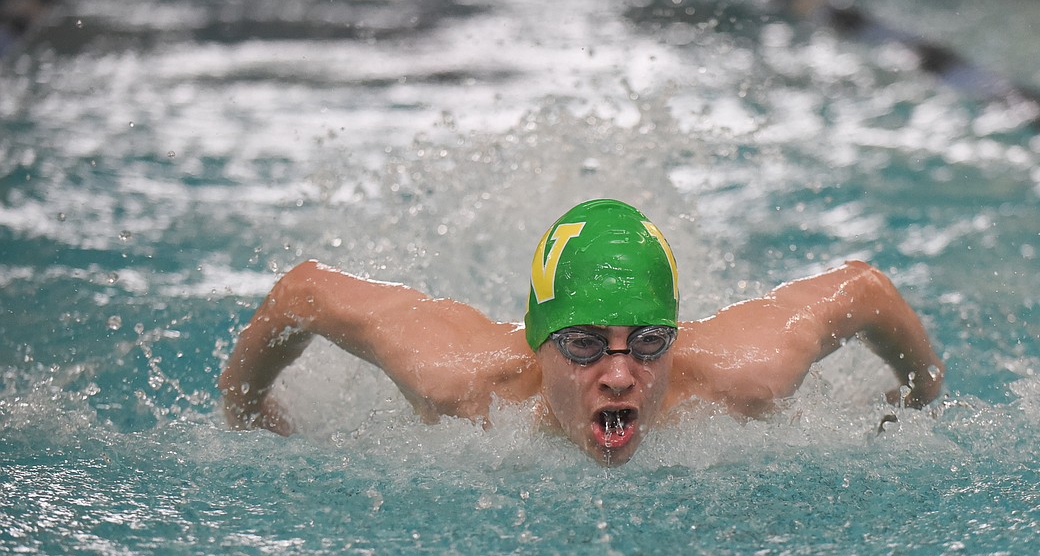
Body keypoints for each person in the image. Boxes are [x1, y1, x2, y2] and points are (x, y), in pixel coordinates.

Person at [219, 198, 944, 465]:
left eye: (649, 343)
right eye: (585, 344)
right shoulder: (460, 383)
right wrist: (248, 411)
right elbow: (304, 291)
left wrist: (917, 399)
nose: (622, 375)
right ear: (539, 342)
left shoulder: (745, 375)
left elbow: (866, 291)